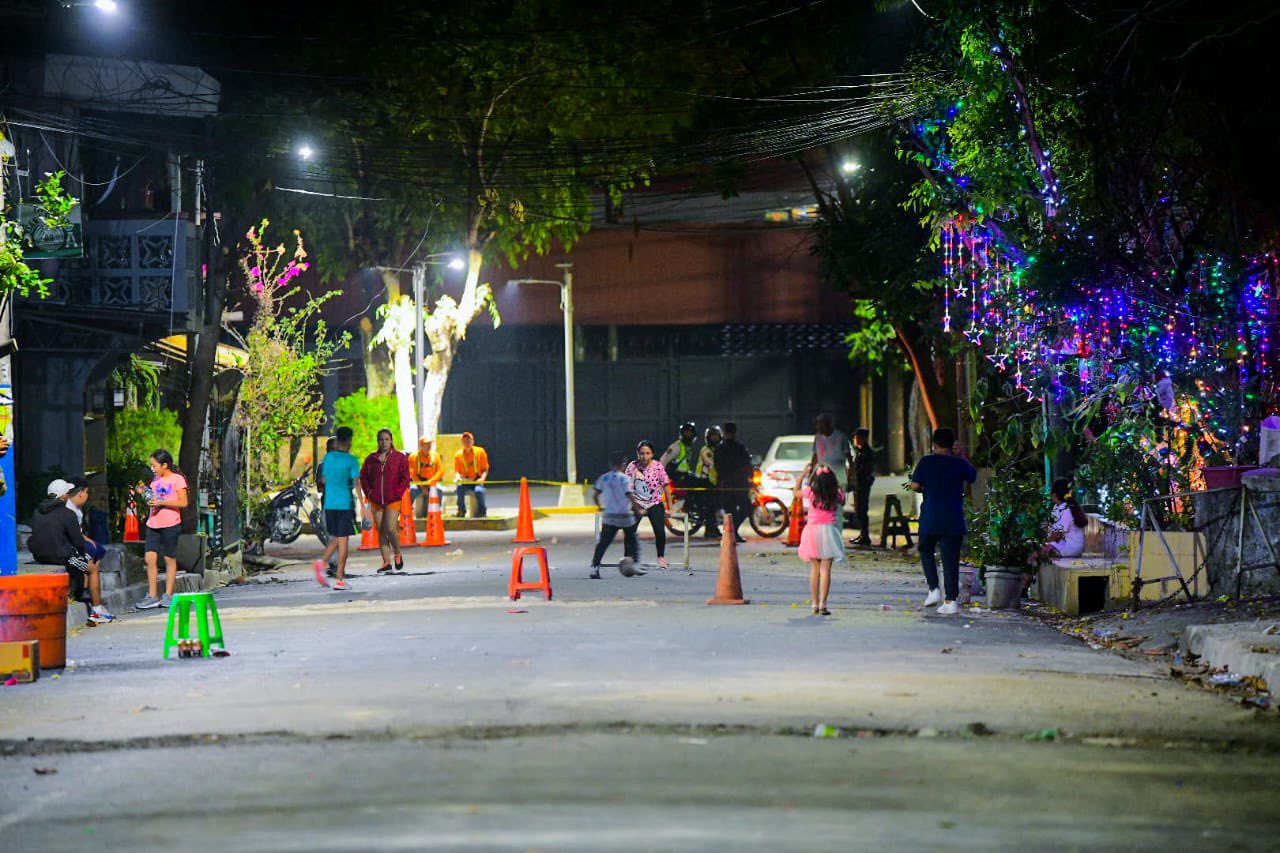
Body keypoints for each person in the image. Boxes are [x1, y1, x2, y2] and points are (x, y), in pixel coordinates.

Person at [908, 428, 977, 616]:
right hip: (953, 518)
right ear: (951, 444)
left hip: (931, 516)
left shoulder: (926, 462)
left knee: (926, 550)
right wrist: (962, 455)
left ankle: (934, 589)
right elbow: (972, 476)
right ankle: (951, 600)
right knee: (950, 560)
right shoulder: (959, 463)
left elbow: (915, 485)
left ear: (935, 444)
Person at [29, 478, 114, 624]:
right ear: (63, 496)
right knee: (92, 569)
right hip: (61, 556)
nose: (68, 495)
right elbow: (78, 542)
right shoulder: (67, 514)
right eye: (67, 493)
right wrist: (82, 556)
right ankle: (97, 611)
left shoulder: (37, 512)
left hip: (39, 555)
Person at [135, 449, 188, 610]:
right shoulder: (156, 479)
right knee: (150, 558)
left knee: (169, 559)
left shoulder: (177, 480)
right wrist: (143, 493)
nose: (152, 468)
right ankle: (152, 595)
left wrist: (162, 502)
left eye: (154, 465)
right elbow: (153, 498)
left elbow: (183, 503)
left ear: (165, 465)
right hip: (153, 523)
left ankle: (169, 594)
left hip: (170, 523)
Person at [313, 426, 362, 591]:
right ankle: (339, 578)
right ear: (348, 441)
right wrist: (363, 506)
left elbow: (324, 480)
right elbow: (356, 484)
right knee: (343, 542)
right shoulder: (351, 460)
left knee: (335, 538)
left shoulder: (328, 459)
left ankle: (323, 563)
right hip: (344, 504)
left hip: (329, 504)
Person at [795, 465, 846, 615]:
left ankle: (814, 604)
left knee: (814, 570)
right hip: (828, 532)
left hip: (812, 532)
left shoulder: (811, 493)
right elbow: (843, 501)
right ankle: (823, 604)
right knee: (826, 571)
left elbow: (795, 492)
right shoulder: (835, 494)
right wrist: (839, 487)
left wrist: (804, 474)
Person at [360, 428, 411, 574]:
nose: (384, 442)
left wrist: (398, 492)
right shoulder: (371, 459)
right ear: (378, 441)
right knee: (381, 530)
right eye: (381, 439)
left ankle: (397, 553)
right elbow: (363, 477)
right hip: (376, 500)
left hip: (393, 499)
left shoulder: (399, 458)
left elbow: (406, 477)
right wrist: (369, 492)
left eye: (387, 439)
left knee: (390, 528)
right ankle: (386, 562)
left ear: (391, 441)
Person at [589, 451, 642, 579]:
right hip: (624, 515)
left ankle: (594, 568)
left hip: (610, 515)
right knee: (632, 539)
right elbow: (629, 495)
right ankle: (633, 564)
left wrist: (600, 506)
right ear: (623, 464)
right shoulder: (625, 479)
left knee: (603, 543)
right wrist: (637, 509)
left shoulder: (604, 478)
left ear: (610, 464)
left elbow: (595, 495)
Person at [625, 440, 671, 569]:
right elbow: (627, 488)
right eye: (641, 453)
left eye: (647, 453)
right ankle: (628, 557)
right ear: (637, 454)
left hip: (654, 502)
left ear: (652, 454)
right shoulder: (632, 467)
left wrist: (670, 508)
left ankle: (661, 557)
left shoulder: (657, 466)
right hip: (637, 503)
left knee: (660, 531)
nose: (644, 456)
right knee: (630, 530)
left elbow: (666, 486)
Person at [714, 422, 753, 543]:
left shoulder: (719, 448)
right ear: (735, 433)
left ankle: (732, 532)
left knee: (730, 511)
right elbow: (747, 464)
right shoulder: (740, 447)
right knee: (746, 508)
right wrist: (750, 477)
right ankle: (733, 532)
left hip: (726, 484)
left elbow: (717, 466)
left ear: (724, 433)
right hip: (740, 484)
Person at [1045, 478, 1087, 559]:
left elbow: (1057, 535)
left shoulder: (1066, 509)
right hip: (1063, 543)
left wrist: (1044, 542)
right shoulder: (1059, 507)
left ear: (1054, 494)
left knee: (1037, 551)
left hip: (1071, 547)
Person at [810, 413, 853, 490]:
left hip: (839, 478)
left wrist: (850, 477)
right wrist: (811, 473)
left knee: (838, 500)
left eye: (820, 424)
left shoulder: (841, 437)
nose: (817, 427)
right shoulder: (818, 438)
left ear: (827, 424)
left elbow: (849, 458)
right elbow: (815, 457)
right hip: (822, 478)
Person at [453, 431, 490, 519]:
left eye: (469, 440)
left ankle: (482, 511)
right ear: (462, 442)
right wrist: (458, 477)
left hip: (477, 479)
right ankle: (461, 510)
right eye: (465, 441)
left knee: (479, 491)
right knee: (459, 488)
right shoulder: (458, 455)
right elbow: (457, 471)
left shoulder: (480, 451)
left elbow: (485, 469)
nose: (467, 443)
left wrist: (482, 479)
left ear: (473, 441)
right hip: (465, 480)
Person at [696, 425, 722, 538]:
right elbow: (712, 464)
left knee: (714, 505)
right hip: (704, 481)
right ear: (708, 438)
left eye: (716, 436)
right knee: (711, 505)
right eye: (712, 437)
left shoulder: (717, 450)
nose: (714, 439)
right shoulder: (706, 450)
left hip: (713, 481)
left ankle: (713, 527)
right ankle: (710, 530)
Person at [850, 427, 875, 546]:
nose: (854, 439)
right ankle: (863, 534)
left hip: (863, 484)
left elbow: (863, 470)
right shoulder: (860, 451)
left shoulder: (866, 452)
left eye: (857, 437)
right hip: (859, 484)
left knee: (862, 510)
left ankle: (865, 536)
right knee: (859, 510)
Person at [408, 437, 444, 517]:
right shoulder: (413, 457)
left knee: (440, 491)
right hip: (419, 483)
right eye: (426, 444)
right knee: (412, 491)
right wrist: (422, 486)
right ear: (421, 445)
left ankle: (437, 513)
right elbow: (412, 473)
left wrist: (432, 481)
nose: (429, 446)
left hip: (432, 483)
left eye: (430, 444)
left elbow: (441, 471)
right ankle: (406, 513)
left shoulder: (435, 455)